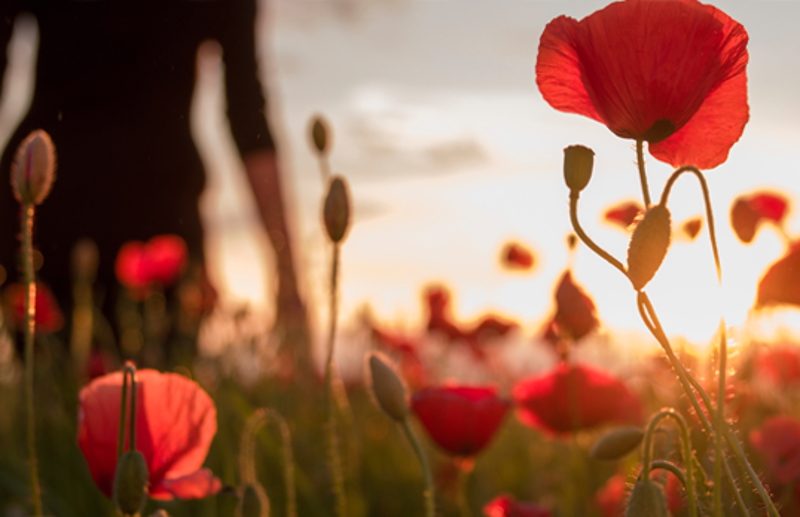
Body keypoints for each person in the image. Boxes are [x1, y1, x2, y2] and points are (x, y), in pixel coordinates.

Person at [0, 0, 312, 371]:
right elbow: (248, 114)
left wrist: (289, 277)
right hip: (148, 217)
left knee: (50, 405)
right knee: (143, 410)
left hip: (48, 216)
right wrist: (288, 278)